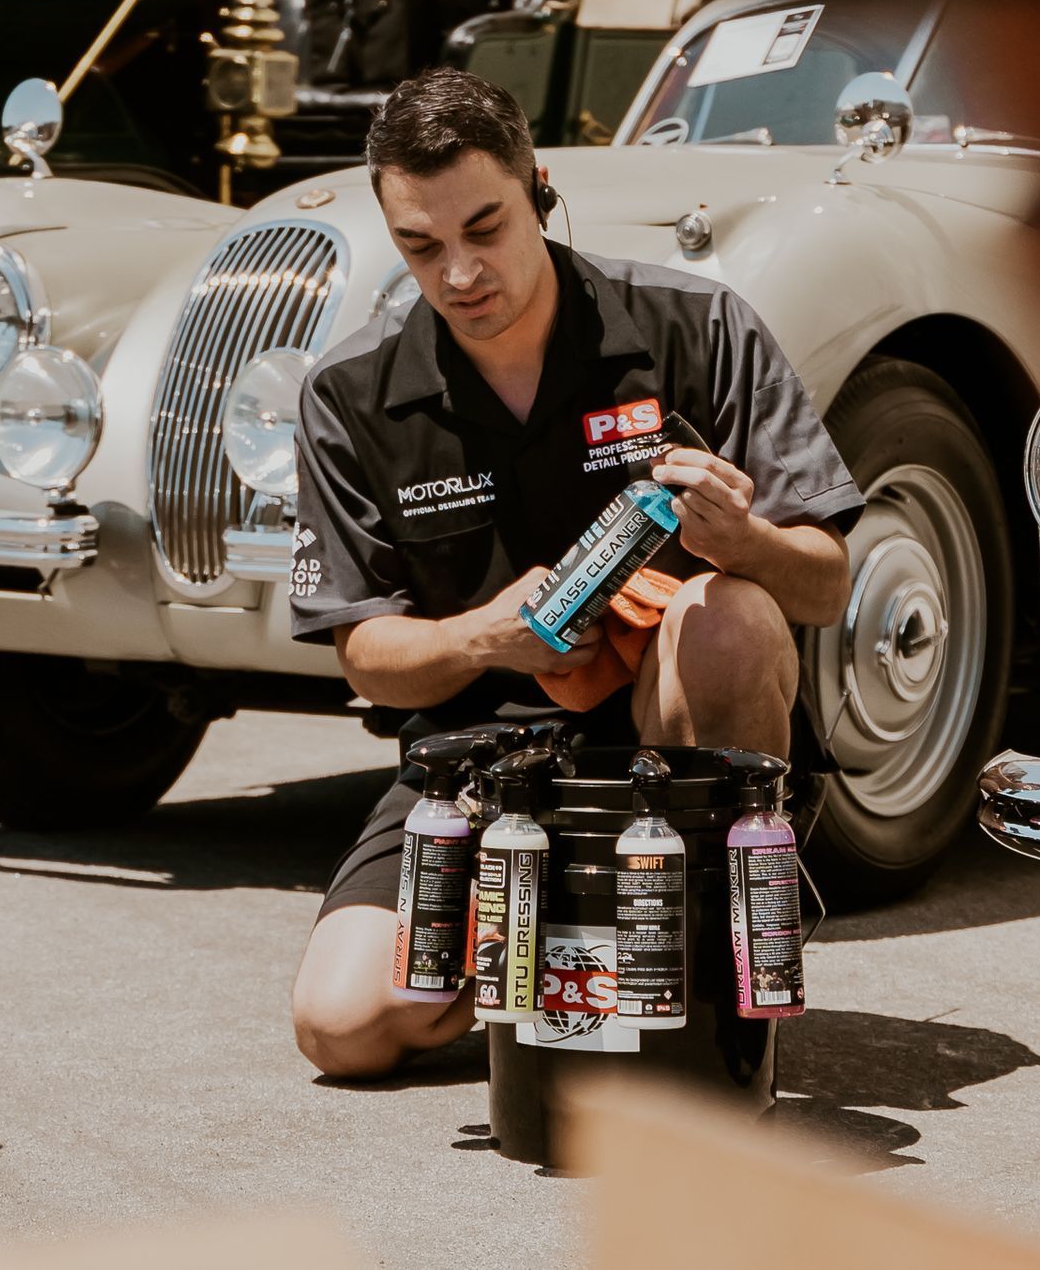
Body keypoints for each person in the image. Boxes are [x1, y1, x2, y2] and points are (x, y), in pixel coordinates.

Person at [287, 68, 863, 1079]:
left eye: (485, 227)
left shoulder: (698, 326)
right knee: (342, 1025)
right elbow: (368, 658)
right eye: (421, 246)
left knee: (722, 613)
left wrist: (746, 541)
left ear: (538, 187)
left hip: (672, 741)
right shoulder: (350, 394)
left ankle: (701, 980)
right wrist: (485, 635)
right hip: (474, 768)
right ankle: (564, 969)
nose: (460, 272)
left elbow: (824, 585)